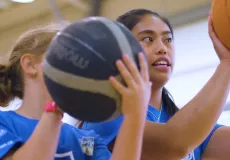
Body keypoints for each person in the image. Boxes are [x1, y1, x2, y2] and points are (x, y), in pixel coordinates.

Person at [82, 9, 230, 160]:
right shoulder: (105, 116)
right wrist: (226, 64)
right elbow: (173, 143)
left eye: (168, 40)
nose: (162, 49)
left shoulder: (182, 121)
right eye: (147, 39)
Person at [0, 21, 151, 160]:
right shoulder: (3, 123)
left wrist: (135, 114)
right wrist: (54, 109)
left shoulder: (86, 141)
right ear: (30, 65)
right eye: (66, 54)